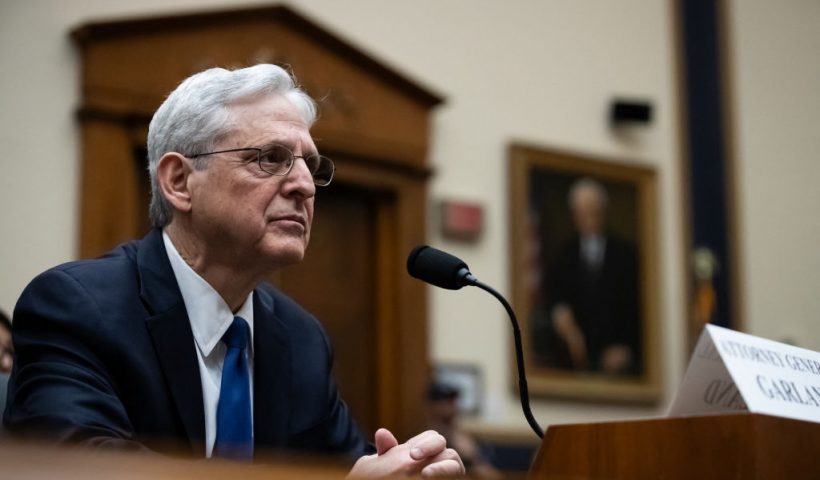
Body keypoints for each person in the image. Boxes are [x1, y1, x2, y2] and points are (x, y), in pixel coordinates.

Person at [4, 64, 463, 478]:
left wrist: (406, 469)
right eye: (271, 158)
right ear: (180, 182)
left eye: (311, 164)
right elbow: (81, 468)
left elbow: (341, 468)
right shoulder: (77, 306)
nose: (305, 185)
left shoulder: (300, 338)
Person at [533, 177, 641, 375]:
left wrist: (626, 347)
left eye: (592, 211)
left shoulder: (625, 255)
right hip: (576, 359)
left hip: (616, 356)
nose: (587, 218)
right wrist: (562, 318)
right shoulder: (565, 255)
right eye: (581, 212)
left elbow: (635, 307)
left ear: (602, 211)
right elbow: (556, 297)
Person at [426, 382, 501, 479]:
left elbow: (488, 472)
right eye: (446, 401)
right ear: (432, 405)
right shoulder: (428, 437)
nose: (452, 405)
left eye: (453, 401)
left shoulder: (461, 434)